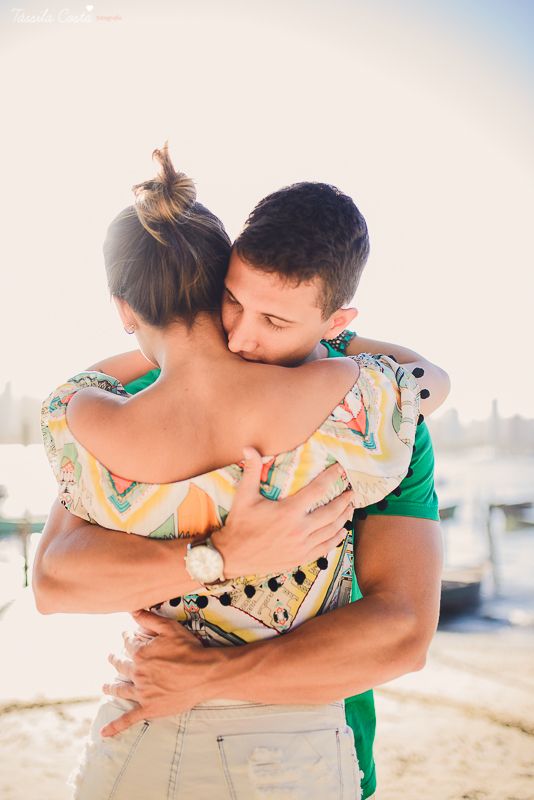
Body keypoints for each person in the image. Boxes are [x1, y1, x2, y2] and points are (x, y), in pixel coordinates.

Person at [35, 147, 445, 799]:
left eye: (276, 320)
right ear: (216, 278)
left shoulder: (101, 414)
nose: (245, 336)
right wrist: (220, 554)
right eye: (232, 302)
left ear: (336, 322)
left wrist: (208, 676)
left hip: (155, 714)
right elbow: (54, 582)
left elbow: (403, 633)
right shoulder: (369, 413)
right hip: (277, 743)